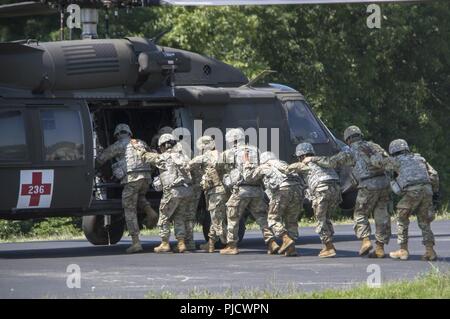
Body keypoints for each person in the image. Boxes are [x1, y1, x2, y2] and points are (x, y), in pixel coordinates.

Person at [304, 125, 391, 258]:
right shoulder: (374, 146)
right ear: (360, 135)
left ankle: (366, 241)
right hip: (384, 182)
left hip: (368, 184)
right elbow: (388, 161)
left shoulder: (350, 151)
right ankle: (380, 248)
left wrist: (313, 159)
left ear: (348, 139)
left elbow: (331, 162)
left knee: (360, 214)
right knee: (382, 214)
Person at [95, 124, 157, 254]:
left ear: (117, 134)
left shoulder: (119, 144)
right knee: (139, 196)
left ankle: (136, 242)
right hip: (146, 178)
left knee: (129, 208)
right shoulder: (140, 142)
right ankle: (150, 211)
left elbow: (101, 159)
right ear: (130, 133)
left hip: (132, 179)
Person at [377, 139, 439, 261]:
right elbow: (434, 175)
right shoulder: (419, 158)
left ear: (393, 151)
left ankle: (403, 250)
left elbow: (379, 163)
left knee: (402, 218)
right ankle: (430, 251)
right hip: (427, 190)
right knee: (424, 221)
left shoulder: (395, 160)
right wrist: (435, 192)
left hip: (412, 191)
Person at [218, 128, 277, 255]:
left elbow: (219, 167)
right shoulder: (255, 149)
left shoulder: (229, 153)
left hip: (241, 190)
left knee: (232, 217)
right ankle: (272, 242)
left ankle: (232, 245)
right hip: (257, 189)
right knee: (261, 217)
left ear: (232, 140)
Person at [133, 133, 194, 253]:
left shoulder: (162, 158)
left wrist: (137, 147)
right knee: (179, 217)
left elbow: (145, 156)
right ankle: (181, 243)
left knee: (164, 218)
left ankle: (165, 243)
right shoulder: (183, 157)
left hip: (172, 192)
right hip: (186, 191)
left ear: (162, 146)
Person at [243, 151, 304, 256]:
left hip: (282, 190)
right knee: (291, 220)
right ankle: (291, 249)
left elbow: (248, 177)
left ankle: (286, 239)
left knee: (272, 219)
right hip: (298, 190)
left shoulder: (264, 166)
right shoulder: (284, 164)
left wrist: (247, 163)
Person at [288, 143, 341, 258]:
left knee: (320, 219)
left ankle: (329, 246)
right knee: (326, 218)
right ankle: (329, 244)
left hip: (321, 190)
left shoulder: (304, 163)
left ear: (301, 156)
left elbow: (289, 169)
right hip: (335, 189)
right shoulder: (321, 160)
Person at [190, 136, 228, 253]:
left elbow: (188, 165)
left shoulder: (205, 156)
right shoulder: (221, 155)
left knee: (217, 219)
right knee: (215, 217)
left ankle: (229, 243)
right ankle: (210, 243)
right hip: (222, 190)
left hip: (214, 192)